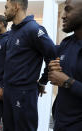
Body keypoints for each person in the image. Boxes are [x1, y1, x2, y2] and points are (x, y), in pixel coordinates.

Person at [3, 0, 56, 130]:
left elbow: (52, 56)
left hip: (24, 93)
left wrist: (43, 81)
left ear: (16, 7)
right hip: (9, 90)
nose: (4, 11)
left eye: (6, 7)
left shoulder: (34, 29)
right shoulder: (12, 31)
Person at [48, 0, 82, 131]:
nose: (62, 15)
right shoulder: (66, 43)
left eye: (68, 9)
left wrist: (66, 81)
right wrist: (54, 69)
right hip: (60, 121)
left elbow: (65, 80)